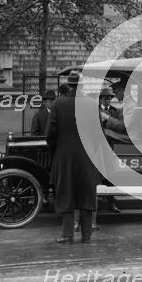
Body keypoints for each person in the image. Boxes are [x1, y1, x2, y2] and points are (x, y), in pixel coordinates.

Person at [46, 75, 100, 244]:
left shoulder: (57, 104)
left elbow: (50, 135)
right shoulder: (92, 104)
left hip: (65, 156)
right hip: (88, 158)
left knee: (66, 193)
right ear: (82, 85)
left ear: (69, 86)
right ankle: (86, 235)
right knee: (86, 194)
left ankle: (67, 234)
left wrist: (58, 151)